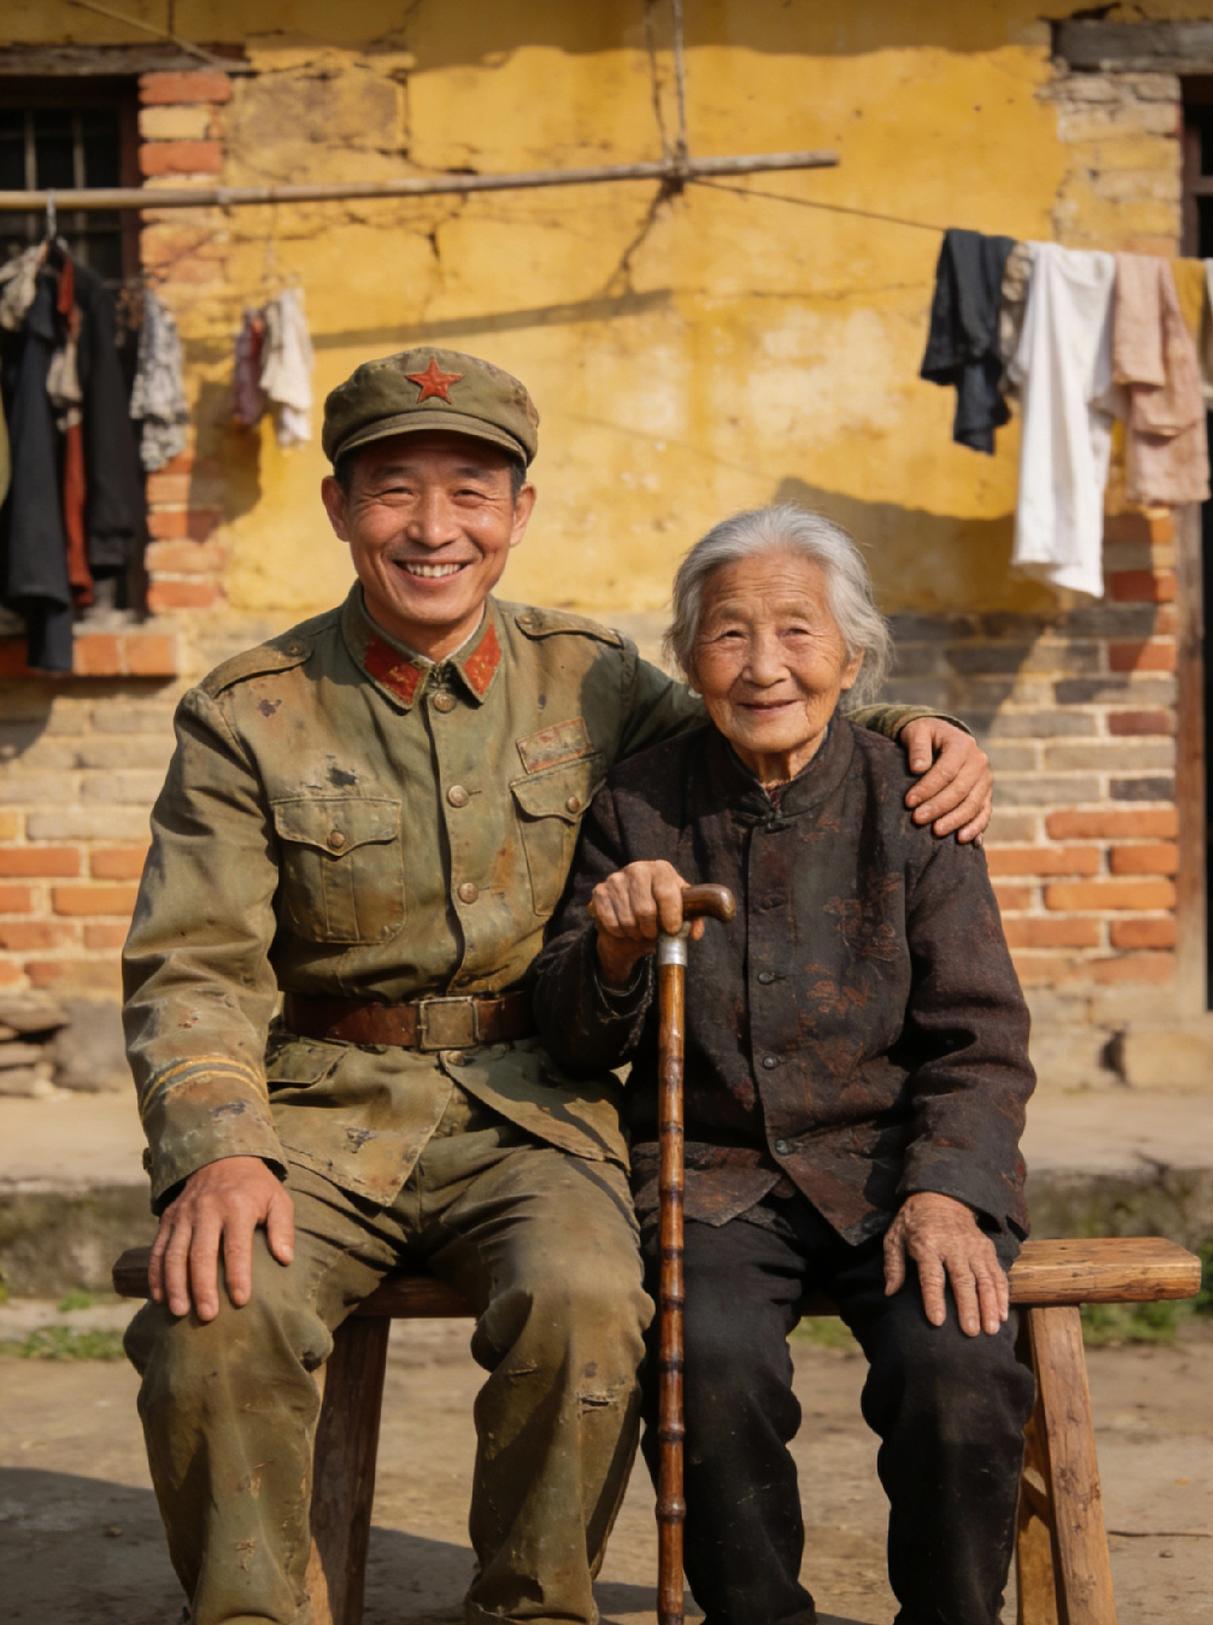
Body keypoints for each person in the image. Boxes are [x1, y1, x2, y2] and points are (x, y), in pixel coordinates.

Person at [121, 349, 997, 1625]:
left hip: (531, 1106)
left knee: (590, 1301)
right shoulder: (248, 712)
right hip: (316, 1115)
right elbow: (188, 959)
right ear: (336, 509)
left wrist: (915, 725)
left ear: (518, 514)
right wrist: (217, 1149)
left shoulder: (588, 677)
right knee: (214, 1309)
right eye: (393, 491)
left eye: (472, 491)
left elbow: (757, 700)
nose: (434, 529)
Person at [533, 504, 1036, 1625]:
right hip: (711, 1177)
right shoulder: (634, 803)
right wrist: (612, 946)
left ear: (851, 656)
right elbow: (573, 1033)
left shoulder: (912, 802)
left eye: (797, 632)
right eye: (728, 634)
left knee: (955, 1367)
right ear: (686, 657)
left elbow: (980, 1035)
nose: (764, 666)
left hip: (895, 1163)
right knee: (701, 1366)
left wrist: (949, 1190)